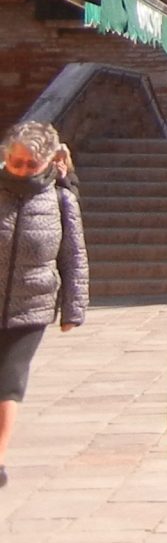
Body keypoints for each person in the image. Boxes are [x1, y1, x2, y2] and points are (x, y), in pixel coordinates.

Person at [0, 120, 87, 489]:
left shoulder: (60, 198)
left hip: (31, 305)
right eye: (15, 162)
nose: (21, 170)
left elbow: (73, 254)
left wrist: (73, 308)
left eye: (29, 165)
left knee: (8, 381)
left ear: (49, 161)